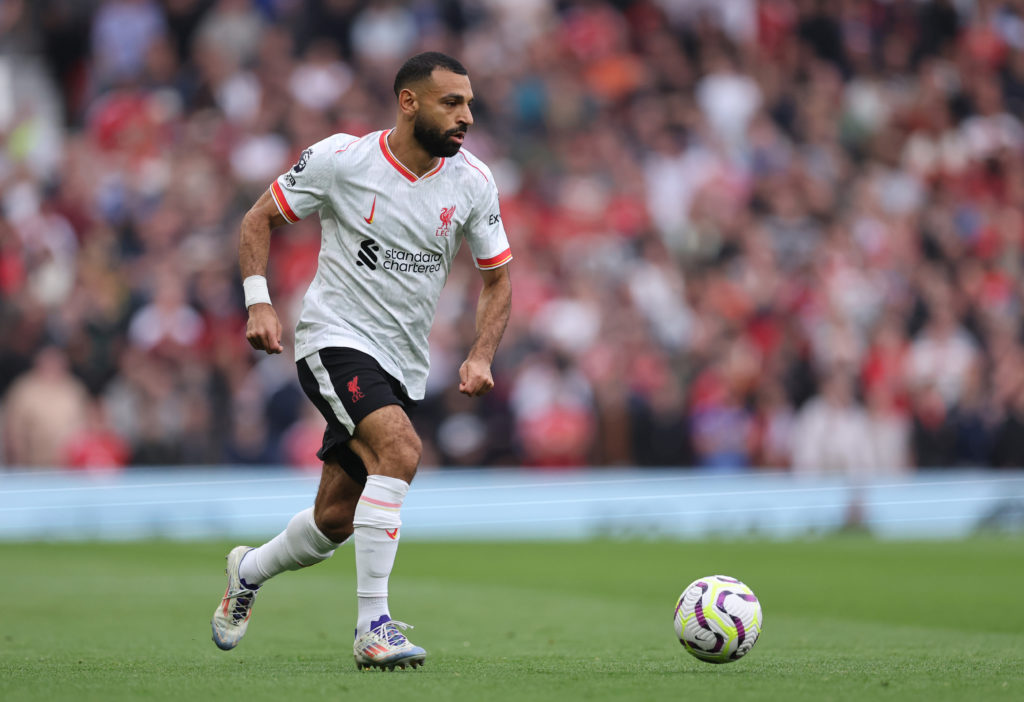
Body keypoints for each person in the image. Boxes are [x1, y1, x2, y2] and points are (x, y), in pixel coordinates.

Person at [210, 52, 512, 671]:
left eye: (470, 104)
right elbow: (258, 218)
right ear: (409, 103)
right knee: (400, 451)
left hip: (403, 364)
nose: (467, 117)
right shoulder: (342, 160)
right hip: (333, 338)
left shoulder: (474, 181)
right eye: (452, 103)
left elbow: (499, 278)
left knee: (334, 521)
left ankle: (248, 570)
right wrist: (259, 303)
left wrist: (482, 353)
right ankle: (373, 627)